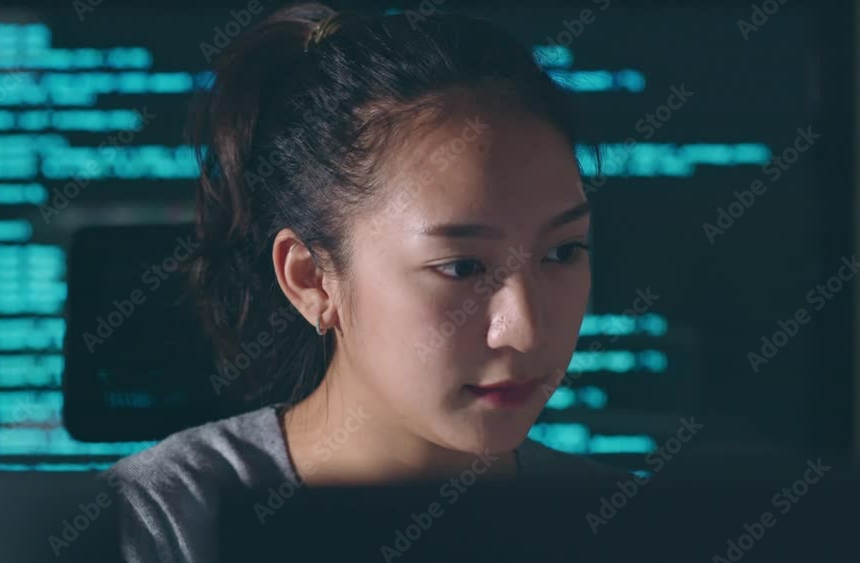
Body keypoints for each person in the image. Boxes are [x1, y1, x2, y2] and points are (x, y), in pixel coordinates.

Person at [106, 3, 627, 562]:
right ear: (311, 279)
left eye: (563, 252)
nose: (523, 330)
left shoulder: (624, 521)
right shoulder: (159, 524)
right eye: (461, 267)